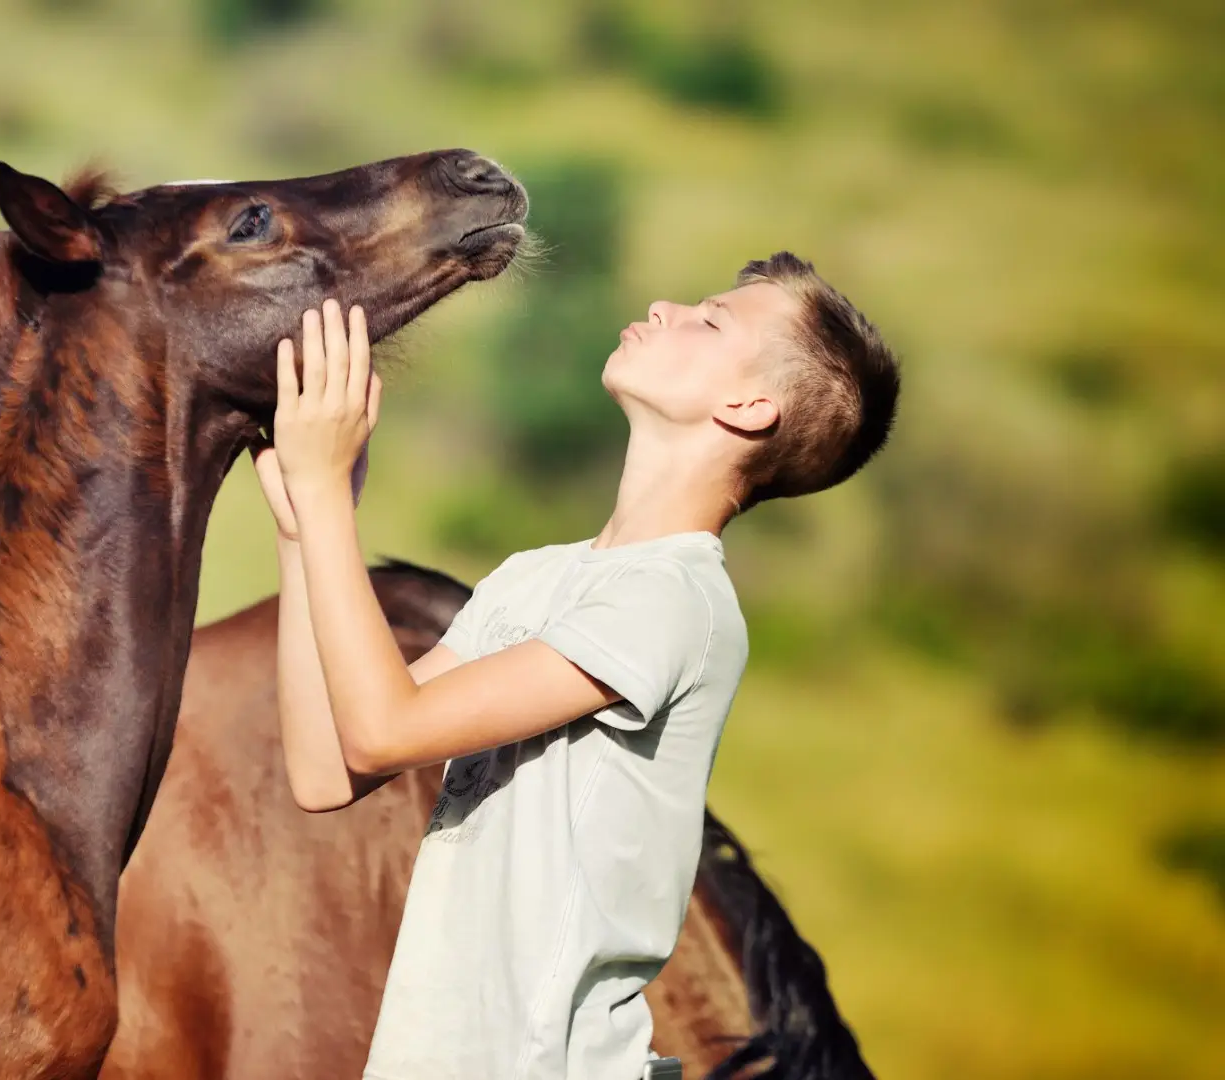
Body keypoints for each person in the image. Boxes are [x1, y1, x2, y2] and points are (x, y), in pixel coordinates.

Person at [252, 252, 900, 1079]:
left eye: (709, 320)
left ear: (749, 406)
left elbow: (385, 732)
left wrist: (319, 493)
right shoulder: (539, 576)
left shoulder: (675, 600)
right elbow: (326, 771)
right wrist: (306, 529)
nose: (663, 305)